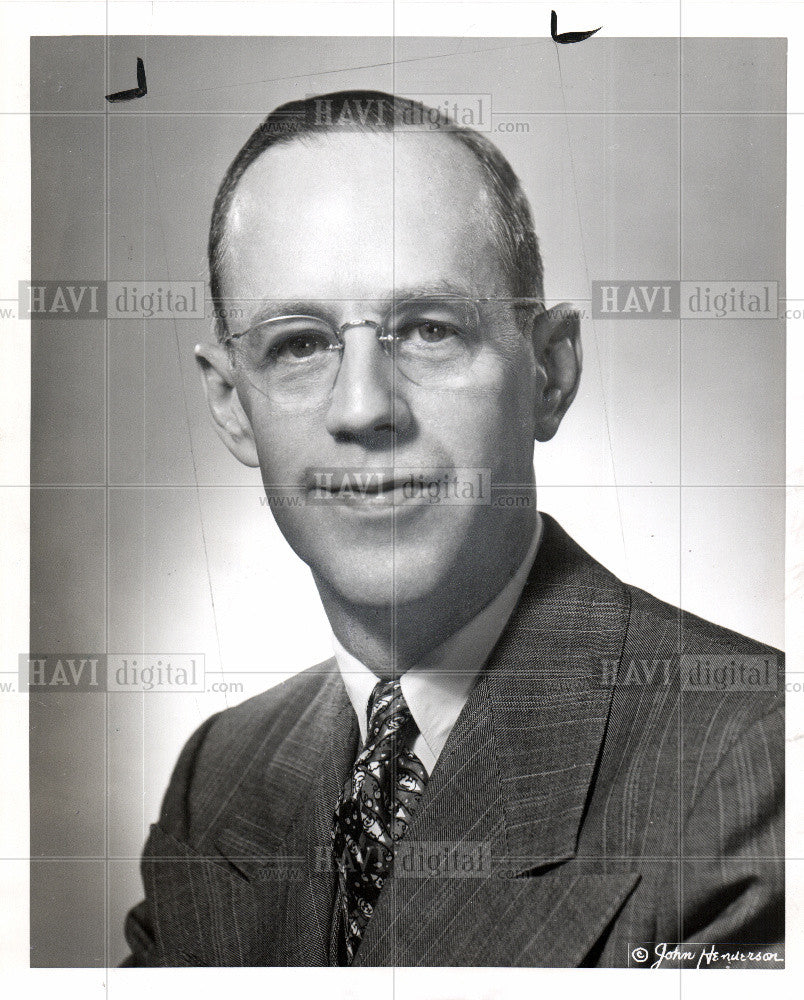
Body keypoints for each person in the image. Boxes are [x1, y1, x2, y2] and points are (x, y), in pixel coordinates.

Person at [123, 90, 783, 968]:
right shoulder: (220, 778)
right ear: (231, 405)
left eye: (429, 330)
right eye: (300, 344)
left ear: (549, 372)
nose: (362, 409)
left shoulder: (757, 758)